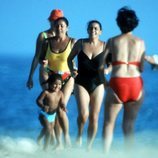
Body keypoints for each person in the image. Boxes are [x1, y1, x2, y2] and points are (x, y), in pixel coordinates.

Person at [102, 7, 145, 153]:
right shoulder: (140, 42)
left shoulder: (112, 41)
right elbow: (142, 68)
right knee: (129, 126)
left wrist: (104, 81)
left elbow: (101, 65)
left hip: (117, 83)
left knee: (109, 124)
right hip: (135, 84)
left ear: (118, 23)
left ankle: (105, 155)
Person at [68, 20, 107, 150]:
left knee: (94, 117)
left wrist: (108, 70)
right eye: (91, 28)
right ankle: (79, 134)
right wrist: (72, 68)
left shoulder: (105, 46)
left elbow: (112, 64)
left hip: (98, 83)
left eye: (96, 28)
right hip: (81, 82)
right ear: (87, 30)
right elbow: (69, 58)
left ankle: (89, 147)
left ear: (100, 31)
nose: (93, 30)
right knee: (84, 114)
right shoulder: (80, 43)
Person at [43, 17, 76, 149]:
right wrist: (43, 63)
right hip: (52, 79)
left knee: (60, 108)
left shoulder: (73, 41)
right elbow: (41, 59)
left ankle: (66, 136)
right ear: (54, 27)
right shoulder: (47, 42)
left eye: (62, 26)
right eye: (57, 26)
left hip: (67, 78)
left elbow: (81, 59)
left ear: (67, 28)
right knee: (54, 109)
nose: (59, 28)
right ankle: (59, 143)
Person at [26, 9, 64, 90]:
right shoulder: (43, 36)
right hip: (46, 71)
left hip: (62, 72)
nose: (56, 23)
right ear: (50, 20)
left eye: (58, 20)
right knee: (49, 98)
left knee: (61, 100)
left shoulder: (65, 37)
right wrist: (30, 77)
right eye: (53, 20)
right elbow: (37, 57)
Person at [36, 74, 66, 150]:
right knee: (48, 130)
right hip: (44, 115)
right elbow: (38, 100)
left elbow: (62, 102)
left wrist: (63, 106)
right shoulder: (46, 92)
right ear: (50, 83)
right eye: (55, 84)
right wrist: (43, 106)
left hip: (53, 116)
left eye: (59, 84)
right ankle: (45, 149)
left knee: (47, 129)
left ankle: (39, 138)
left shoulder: (60, 93)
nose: (57, 86)